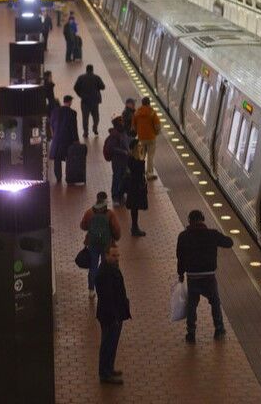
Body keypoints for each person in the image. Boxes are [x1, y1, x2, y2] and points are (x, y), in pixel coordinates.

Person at [176, 210, 233, 344]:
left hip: (192, 276)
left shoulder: (183, 236)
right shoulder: (212, 234)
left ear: (189, 221)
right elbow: (229, 243)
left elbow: (180, 256)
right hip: (209, 276)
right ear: (203, 219)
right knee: (215, 302)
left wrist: (181, 274)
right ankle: (219, 328)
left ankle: (191, 332)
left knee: (192, 305)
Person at [95, 242, 131, 385]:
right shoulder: (104, 273)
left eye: (118, 255)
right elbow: (107, 298)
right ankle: (105, 373)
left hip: (116, 314)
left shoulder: (112, 268)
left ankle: (109, 368)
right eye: (114, 255)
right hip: (110, 316)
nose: (117, 258)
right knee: (107, 344)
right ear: (106, 255)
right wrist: (115, 316)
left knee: (112, 343)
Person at [80, 192, 122, 299]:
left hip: (93, 244)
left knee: (93, 267)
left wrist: (91, 229)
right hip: (107, 245)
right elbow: (116, 229)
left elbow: (83, 226)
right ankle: (105, 288)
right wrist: (115, 238)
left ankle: (91, 290)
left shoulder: (90, 212)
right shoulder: (110, 214)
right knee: (106, 266)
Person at [49, 95, 79, 183]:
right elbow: (74, 128)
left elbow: (51, 124)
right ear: (70, 102)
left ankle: (58, 177)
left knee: (57, 159)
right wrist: (76, 140)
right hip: (67, 140)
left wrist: (54, 135)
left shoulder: (55, 111)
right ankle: (69, 176)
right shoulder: (72, 113)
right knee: (69, 158)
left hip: (57, 139)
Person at [132, 96, 161, 180]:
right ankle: (149, 173)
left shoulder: (137, 112)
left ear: (142, 103)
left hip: (141, 138)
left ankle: (140, 172)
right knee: (150, 157)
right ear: (149, 103)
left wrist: (138, 132)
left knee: (141, 156)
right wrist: (156, 133)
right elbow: (157, 125)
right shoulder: (152, 112)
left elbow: (133, 125)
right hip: (151, 138)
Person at [73, 64, 106, 138]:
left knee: (85, 118)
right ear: (92, 70)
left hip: (85, 101)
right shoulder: (96, 77)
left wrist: (80, 95)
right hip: (95, 101)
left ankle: (85, 132)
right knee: (96, 117)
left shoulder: (81, 77)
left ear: (86, 70)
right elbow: (103, 87)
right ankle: (95, 128)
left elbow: (75, 87)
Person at [104, 116, 130, 206]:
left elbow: (127, 142)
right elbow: (111, 148)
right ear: (117, 123)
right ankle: (115, 197)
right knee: (117, 178)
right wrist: (123, 152)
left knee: (123, 178)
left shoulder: (123, 132)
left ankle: (121, 195)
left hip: (124, 161)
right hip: (117, 161)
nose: (123, 123)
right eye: (121, 121)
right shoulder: (114, 135)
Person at [124, 140, 147, 236]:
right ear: (134, 148)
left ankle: (135, 227)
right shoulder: (133, 159)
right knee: (134, 208)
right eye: (139, 146)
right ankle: (134, 228)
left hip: (134, 187)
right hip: (135, 187)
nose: (141, 147)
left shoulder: (132, 158)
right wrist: (142, 161)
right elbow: (139, 172)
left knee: (135, 208)